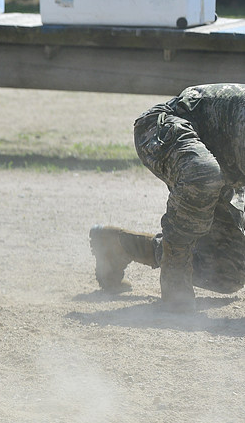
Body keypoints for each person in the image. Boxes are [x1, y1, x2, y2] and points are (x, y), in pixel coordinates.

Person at [90, 83, 245, 313]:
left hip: (215, 165)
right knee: (203, 172)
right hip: (161, 127)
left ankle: (120, 247)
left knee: (230, 269)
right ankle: (175, 279)